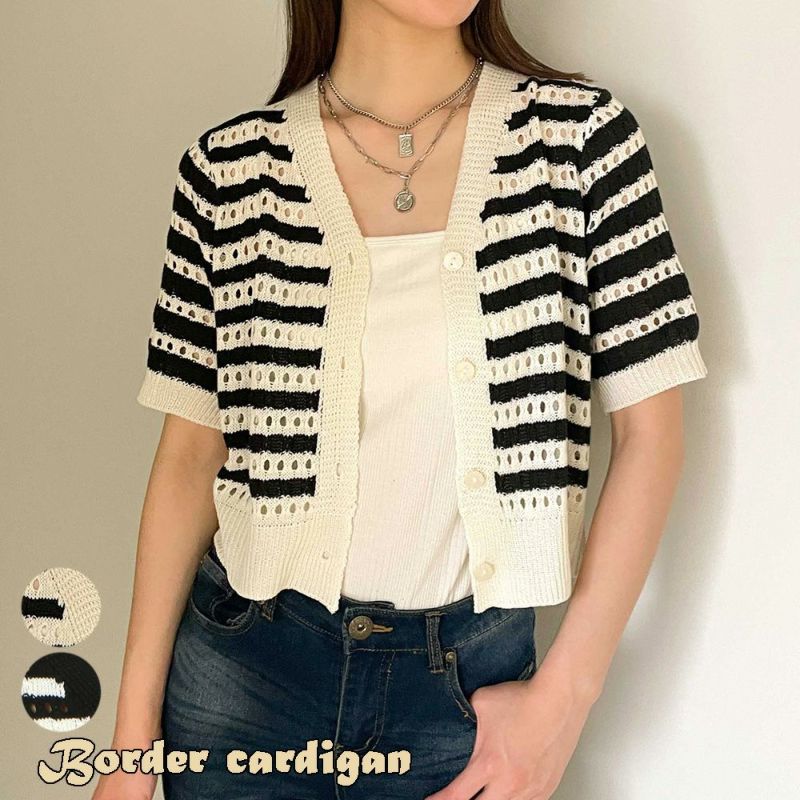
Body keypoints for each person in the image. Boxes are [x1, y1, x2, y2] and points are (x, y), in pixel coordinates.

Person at [94, 1, 708, 798]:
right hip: (243, 686)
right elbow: (189, 459)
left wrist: (564, 700)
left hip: (464, 699)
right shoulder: (228, 173)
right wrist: (131, 748)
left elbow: (653, 435)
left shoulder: (580, 141)